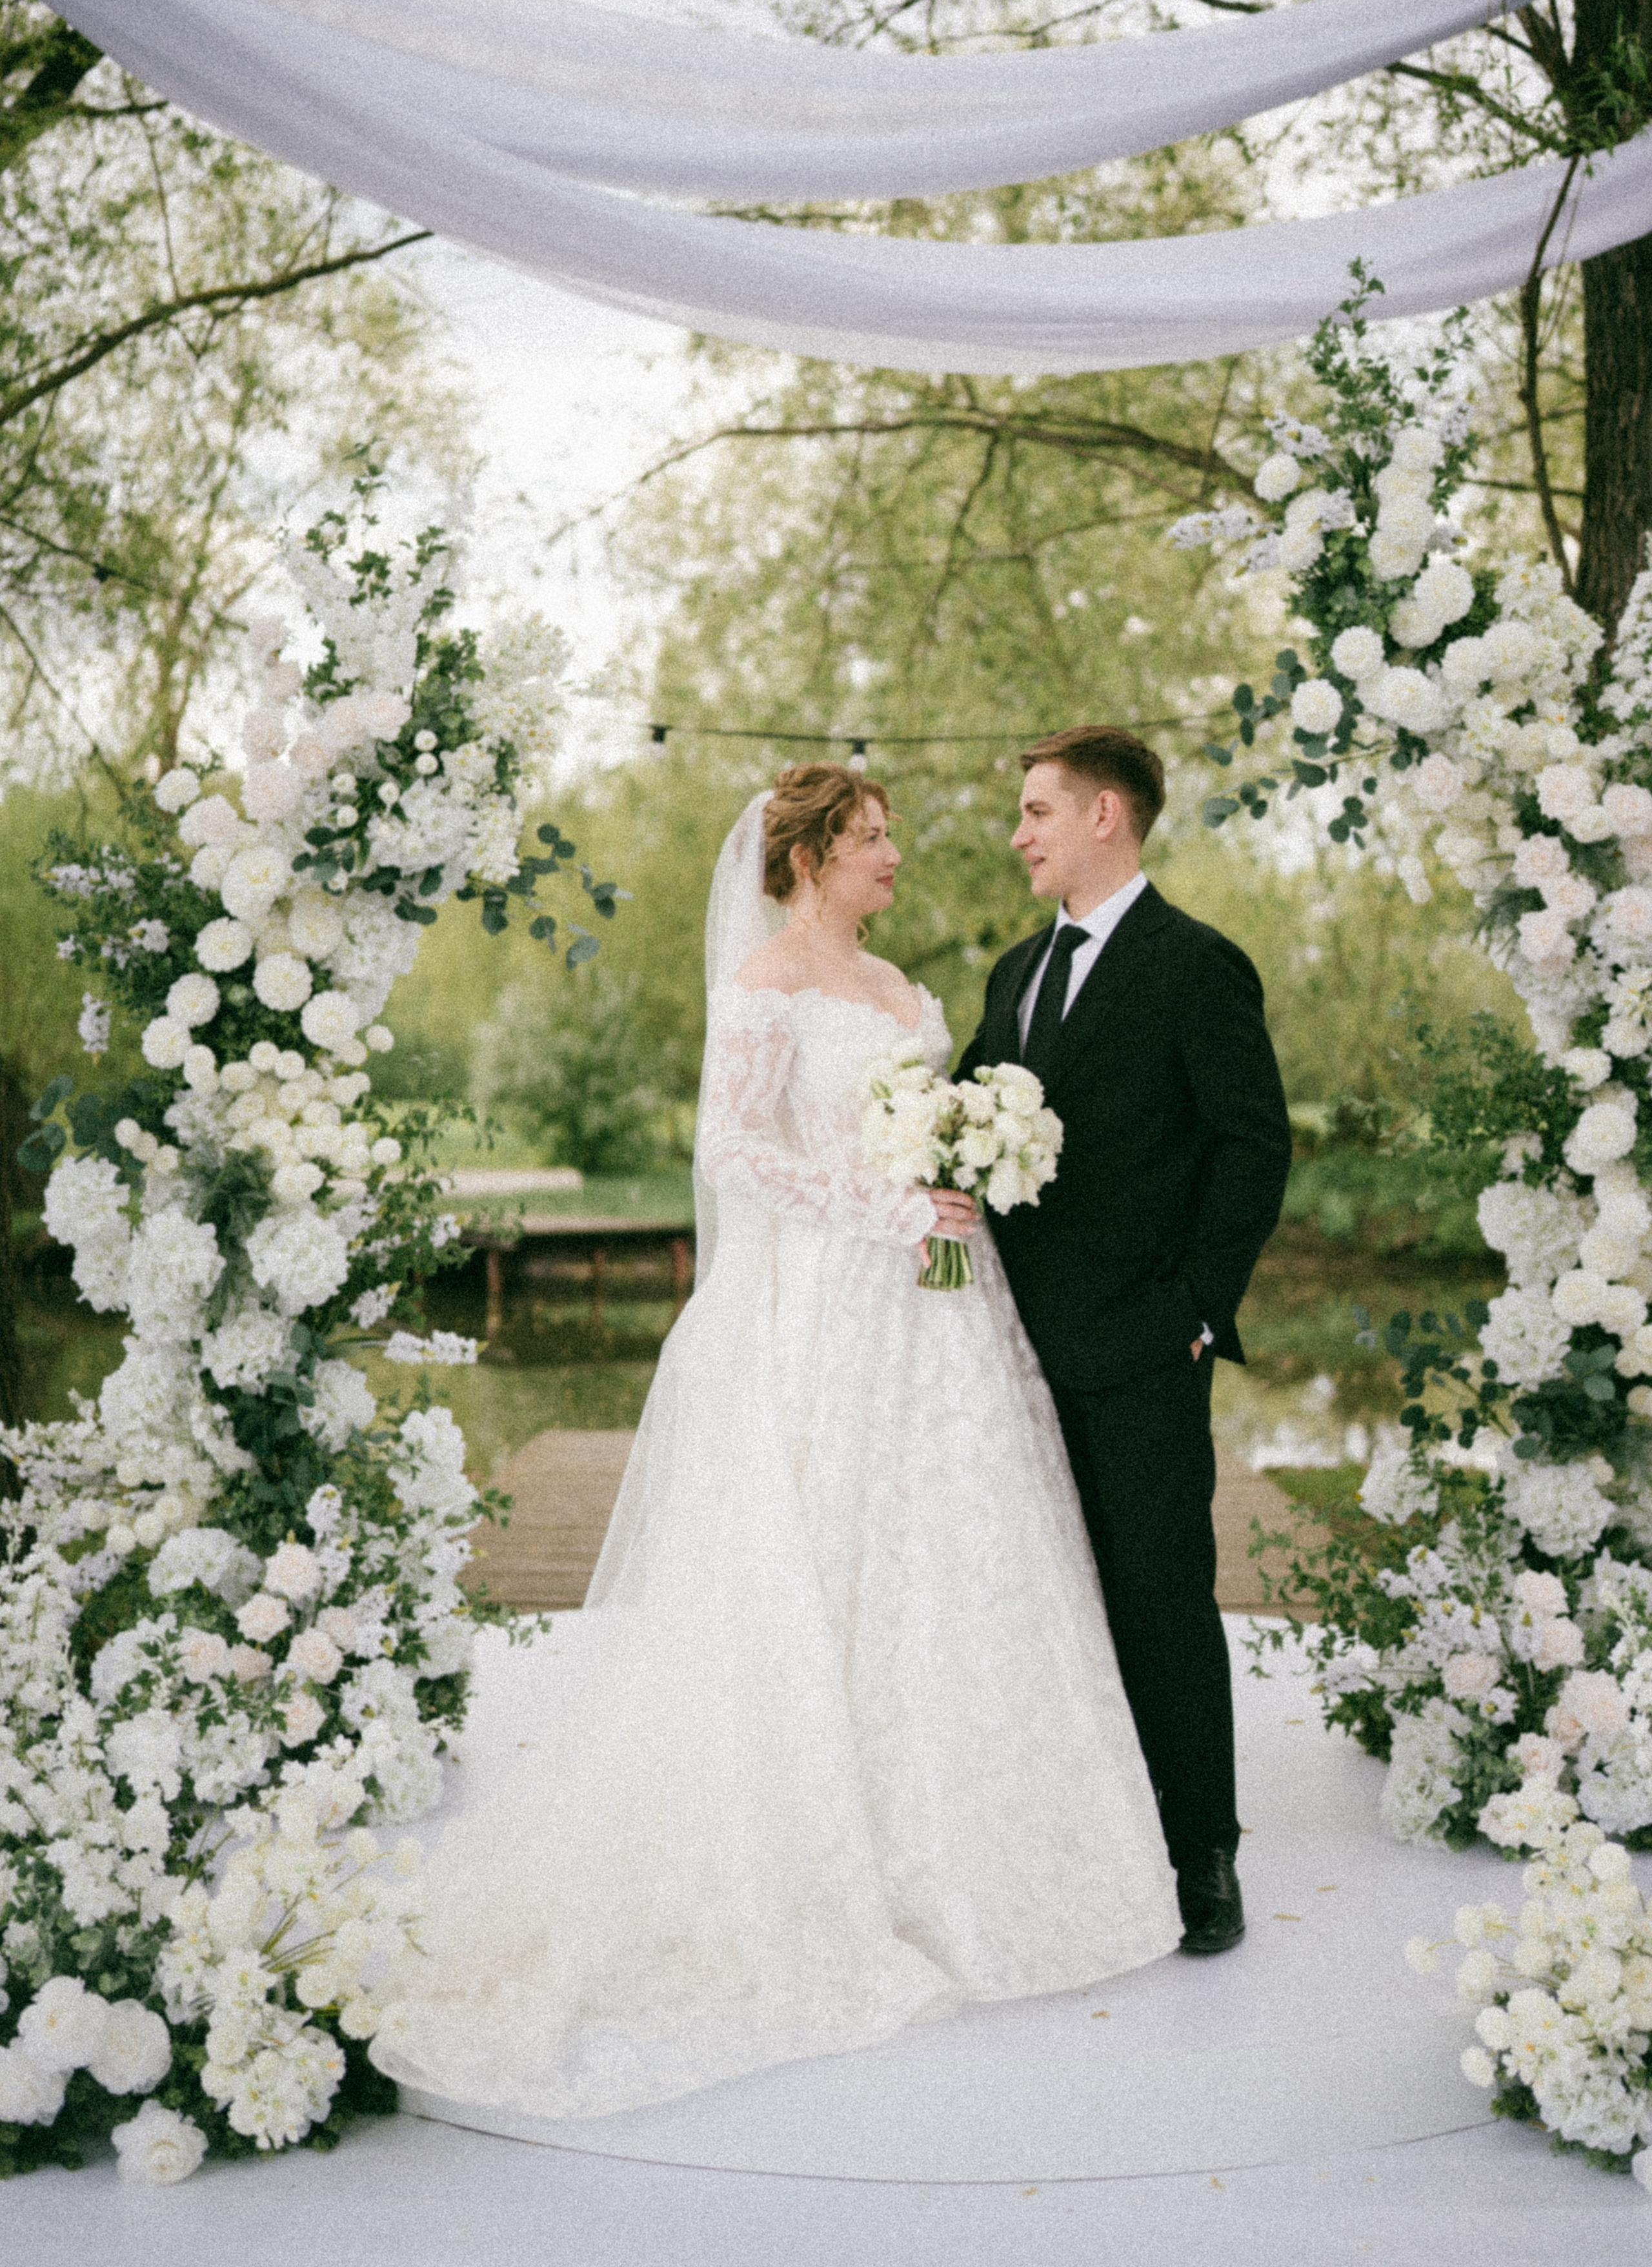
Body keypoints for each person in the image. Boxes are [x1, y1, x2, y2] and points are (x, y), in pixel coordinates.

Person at [370, 764, 1180, 2126]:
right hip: (820, 1309)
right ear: (808, 858)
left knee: (946, 1565)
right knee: (814, 1562)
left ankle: (974, 1856)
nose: (894, 859)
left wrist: (964, 1174)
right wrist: (885, 1205)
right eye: (872, 841)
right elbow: (733, 1152)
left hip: (939, 1327)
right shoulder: (761, 989)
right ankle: (819, 1864)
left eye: (888, 840)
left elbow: (931, 1131)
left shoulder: (911, 991)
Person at [958, 726, 1293, 1958]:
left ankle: (1203, 1856)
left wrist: (1196, 1311)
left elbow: (1254, 1146)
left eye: (1038, 810)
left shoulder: (1199, 966)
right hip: (1005, 1351)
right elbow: (963, 1123)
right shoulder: (1010, 974)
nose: (1021, 833)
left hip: (1146, 1344)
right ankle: (1079, 1838)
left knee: (1160, 1597)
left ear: (1108, 815)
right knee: (1047, 1599)